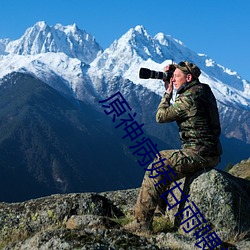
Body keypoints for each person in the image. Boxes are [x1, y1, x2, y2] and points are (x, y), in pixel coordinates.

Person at [124, 61, 222, 233]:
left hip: (199, 153)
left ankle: (141, 223)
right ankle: (161, 210)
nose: (173, 79)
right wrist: (175, 72)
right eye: (173, 76)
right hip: (211, 152)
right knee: (170, 164)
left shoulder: (189, 99)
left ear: (189, 78)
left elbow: (161, 117)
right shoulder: (203, 90)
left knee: (160, 162)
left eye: (177, 77)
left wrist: (167, 93)